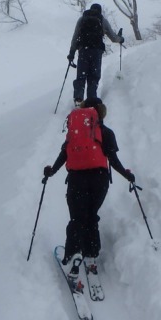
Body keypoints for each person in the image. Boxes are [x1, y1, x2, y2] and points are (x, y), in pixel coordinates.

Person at [43, 97, 135, 278]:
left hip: (77, 179)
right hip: (99, 180)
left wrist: (51, 171)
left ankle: (74, 254)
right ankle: (91, 256)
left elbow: (64, 154)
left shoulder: (75, 132)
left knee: (77, 218)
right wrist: (127, 175)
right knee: (91, 216)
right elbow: (113, 161)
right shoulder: (105, 132)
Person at [67, 3, 123, 105]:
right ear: (100, 11)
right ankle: (91, 100)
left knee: (81, 76)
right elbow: (113, 38)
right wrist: (121, 39)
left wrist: (71, 53)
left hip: (83, 51)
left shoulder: (82, 20)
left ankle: (79, 99)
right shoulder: (102, 20)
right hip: (96, 52)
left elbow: (75, 37)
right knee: (93, 77)